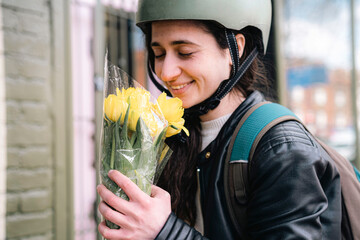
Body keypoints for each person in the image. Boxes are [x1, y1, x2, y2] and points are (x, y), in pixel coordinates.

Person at [97, 0, 342, 239]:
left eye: (185, 52)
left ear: (235, 48)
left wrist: (165, 231)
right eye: (158, 53)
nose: (166, 72)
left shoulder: (281, 149)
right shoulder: (171, 135)